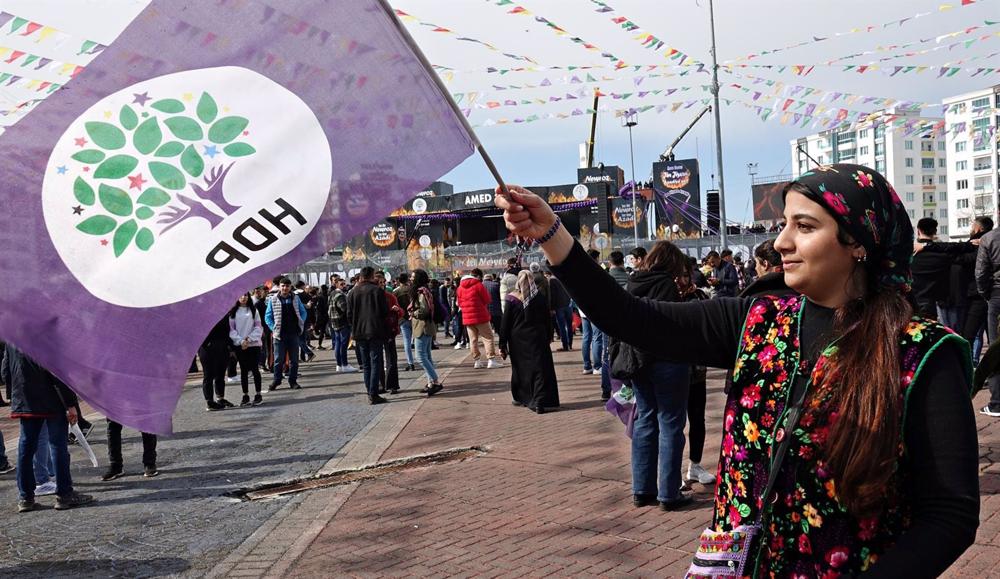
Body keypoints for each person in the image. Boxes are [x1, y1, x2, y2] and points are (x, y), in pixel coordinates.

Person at [496, 163, 978, 576]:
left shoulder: (923, 353)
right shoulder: (757, 319)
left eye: (805, 227)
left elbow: (949, 514)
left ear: (858, 244)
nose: (782, 241)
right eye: (785, 223)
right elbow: (626, 315)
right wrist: (550, 232)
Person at [624, 241, 692, 510]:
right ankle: (668, 492)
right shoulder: (666, 285)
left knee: (645, 419)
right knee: (671, 422)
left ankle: (642, 489)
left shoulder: (633, 282)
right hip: (667, 359)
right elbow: (673, 323)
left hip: (638, 361)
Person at [3, 344, 95, 512]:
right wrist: (71, 404)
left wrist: (14, 395)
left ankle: (25, 497)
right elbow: (57, 371)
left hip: (24, 397)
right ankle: (64, 494)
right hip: (50, 398)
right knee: (57, 445)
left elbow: (6, 367)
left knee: (26, 447)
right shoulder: (44, 332)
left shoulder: (12, 333)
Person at [675, 262, 714, 486]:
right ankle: (673, 471)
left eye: (687, 275)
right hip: (675, 370)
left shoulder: (699, 296)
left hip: (697, 369)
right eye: (680, 275)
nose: (684, 279)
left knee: (697, 418)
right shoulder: (668, 295)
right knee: (675, 422)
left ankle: (695, 466)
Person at [499, 270, 560, 414]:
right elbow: (547, 318)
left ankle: (522, 397)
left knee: (521, 369)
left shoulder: (511, 299)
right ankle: (539, 401)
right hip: (538, 338)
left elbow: (505, 323)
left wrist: (502, 343)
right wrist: (549, 335)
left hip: (517, 340)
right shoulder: (538, 297)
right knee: (540, 369)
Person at [347, 267, 389, 405]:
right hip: (375, 331)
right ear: (371, 276)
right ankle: (373, 392)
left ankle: (369, 390)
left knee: (366, 364)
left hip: (359, 332)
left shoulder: (353, 292)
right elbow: (385, 312)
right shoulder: (377, 291)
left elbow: (349, 314)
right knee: (375, 362)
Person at [265, 278, 307, 390]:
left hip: (293, 333)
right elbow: (267, 317)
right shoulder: (273, 299)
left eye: (287, 286)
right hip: (279, 335)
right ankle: (276, 380)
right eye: (283, 286)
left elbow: (303, 312)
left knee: (294, 360)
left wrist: (301, 322)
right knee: (278, 360)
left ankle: (293, 381)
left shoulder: (295, 298)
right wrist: (273, 328)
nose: (285, 288)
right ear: (279, 286)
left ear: (290, 287)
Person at [457, 268, 503, 369]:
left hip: (467, 318)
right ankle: (491, 360)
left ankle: (477, 361)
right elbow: (487, 299)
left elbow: (459, 303)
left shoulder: (460, 288)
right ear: (478, 276)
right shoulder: (478, 285)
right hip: (481, 316)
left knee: (473, 340)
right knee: (488, 338)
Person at [408, 269, 443, 396]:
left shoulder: (421, 293)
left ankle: (436, 381)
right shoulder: (424, 291)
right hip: (427, 326)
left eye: (413, 277)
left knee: (420, 357)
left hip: (422, 327)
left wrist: (413, 313)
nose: (411, 279)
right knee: (427, 356)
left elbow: (424, 311)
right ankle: (430, 384)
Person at [911, 217, 951, 320]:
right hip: (932, 304)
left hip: (911, 302)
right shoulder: (942, 254)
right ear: (935, 232)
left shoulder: (910, 254)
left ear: (918, 230)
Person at [229, 293, 264, 406]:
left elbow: (258, 327)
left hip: (253, 344)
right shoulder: (233, 313)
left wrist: (248, 339)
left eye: (245, 295)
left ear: (249, 297)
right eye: (240, 295)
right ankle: (245, 395)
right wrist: (241, 341)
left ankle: (258, 394)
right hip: (241, 346)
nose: (243, 298)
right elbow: (231, 330)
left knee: (255, 369)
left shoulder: (254, 311)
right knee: (243, 370)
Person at [375, 272, 402, 395]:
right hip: (376, 331)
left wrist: (397, 310)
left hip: (390, 330)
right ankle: (381, 384)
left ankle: (392, 385)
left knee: (391, 358)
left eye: (383, 282)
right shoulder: (372, 297)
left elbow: (401, 312)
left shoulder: (390, 297)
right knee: (378, 359)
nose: (381, 285)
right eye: (378, 283)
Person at [199, 314, 233, 410]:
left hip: (222, 347)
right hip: (207, 348)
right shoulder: (201, 314)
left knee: (220, 374)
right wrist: (206, 343)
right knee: (208, 375)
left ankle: (220, 398)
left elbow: (228, 331)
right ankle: (209, 401)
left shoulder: (224, 313)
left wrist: (230, 347)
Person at [328, 279, 356, 373]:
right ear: (336, 285)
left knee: (338, 344)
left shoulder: (332, 293)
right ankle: (344, 364)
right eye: (341, 284)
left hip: (334, 321)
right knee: (343, 344)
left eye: (344, 284)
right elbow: (344, 308)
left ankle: (339, 365)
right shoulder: (340, 295)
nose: (344, 286)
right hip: (342, 322)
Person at [547, 271, 574, 351]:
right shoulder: (567, 276)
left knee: (562, 327)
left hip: (559, 306)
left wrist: (552, 308)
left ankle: (565, 346)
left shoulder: (552, 280)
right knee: (569, 326)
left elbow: (552, 294)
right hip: (568, 304)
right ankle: (570, 344)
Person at [394, 274, 416, 372]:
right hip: (414, 317)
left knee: (406, 341)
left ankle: (410, 363)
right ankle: (422, 360)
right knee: (417, 339)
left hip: (402, 319)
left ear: (399, 281)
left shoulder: (396, 292)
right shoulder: (413, 289)